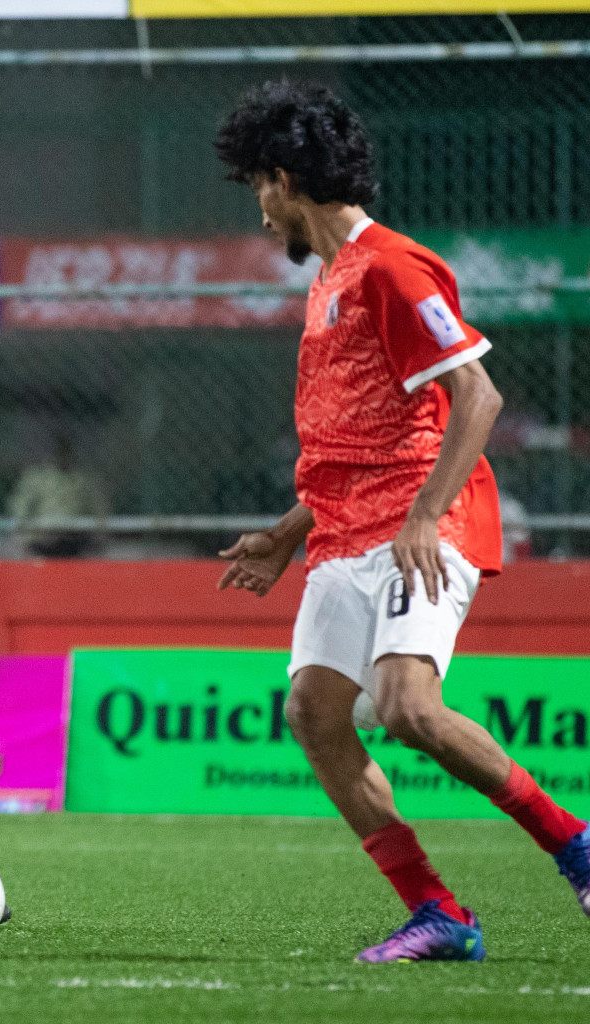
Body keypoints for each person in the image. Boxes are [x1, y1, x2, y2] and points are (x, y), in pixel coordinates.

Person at [213, 79, 590, 963]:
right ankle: (439, 912)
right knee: (313, 711)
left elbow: (477, 395)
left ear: (281, 179)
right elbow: (359, 435)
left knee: (408, 707)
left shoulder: (390, 265)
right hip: (345, 531)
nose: (259, 216)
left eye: (255, 192)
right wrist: (285, 532)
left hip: (426, 521)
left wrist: (422, 517)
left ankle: (574, 843)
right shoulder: (333, 279)